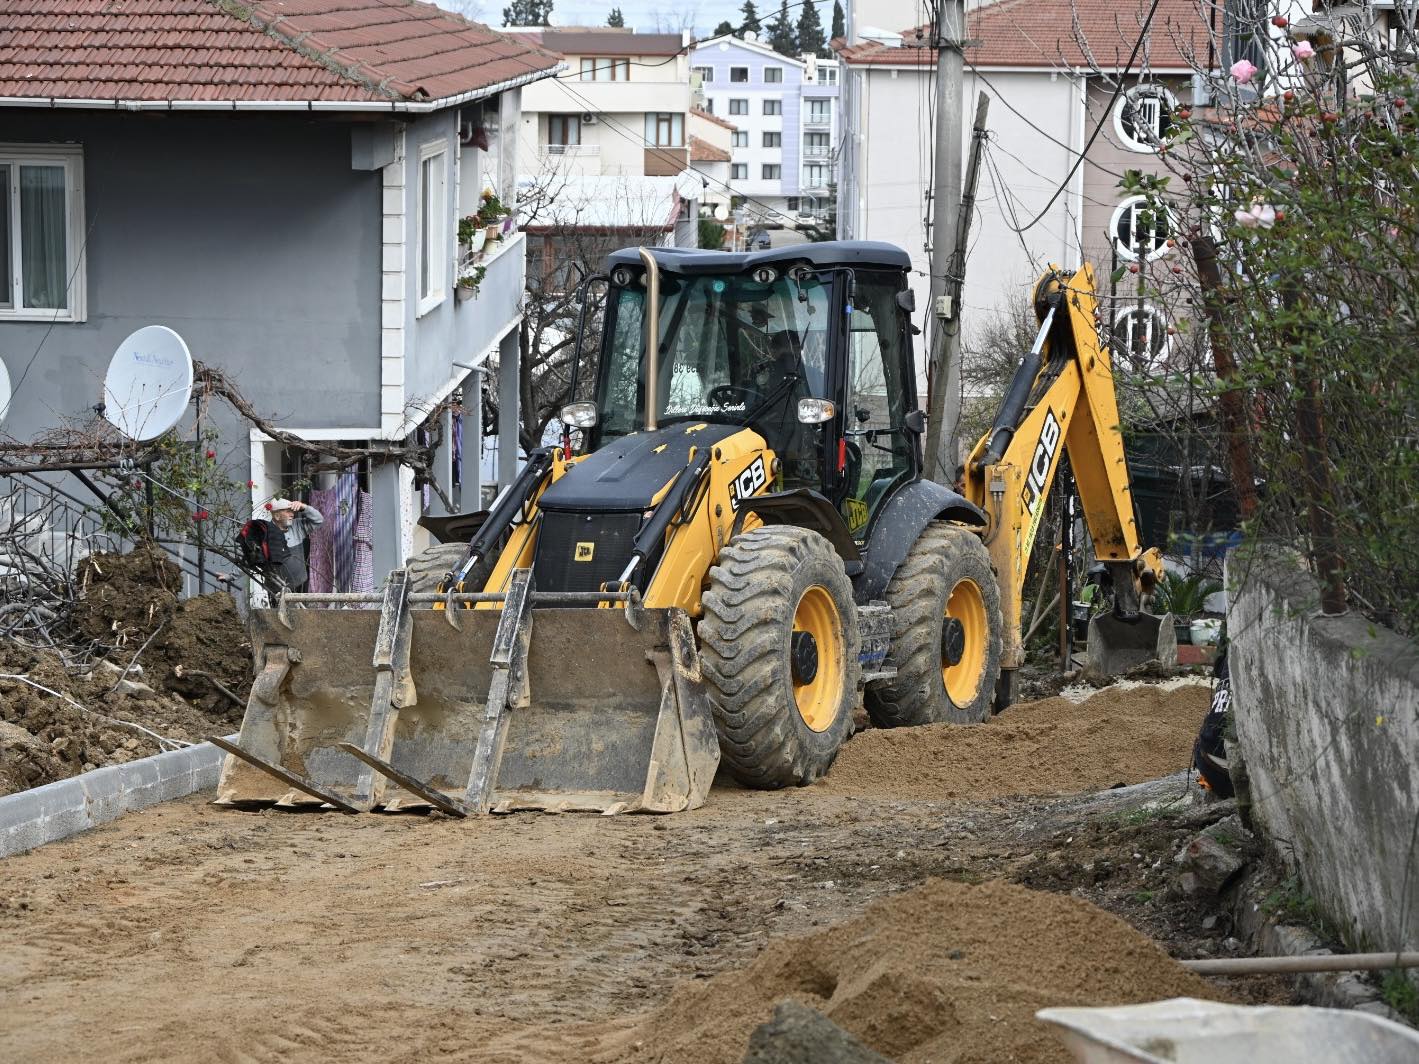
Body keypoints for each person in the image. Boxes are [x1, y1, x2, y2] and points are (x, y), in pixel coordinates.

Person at [257, 497, 324, 593]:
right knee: (279, 608)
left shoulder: (297, 526)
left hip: (301, 584)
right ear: (277, 516)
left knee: (303, 608)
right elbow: (250, 558)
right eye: (288, 512)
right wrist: (232, 576)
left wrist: (303, 507)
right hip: (277, 588)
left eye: (292, 511)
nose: (292, 514)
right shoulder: (265, 534)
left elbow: (319, 520)